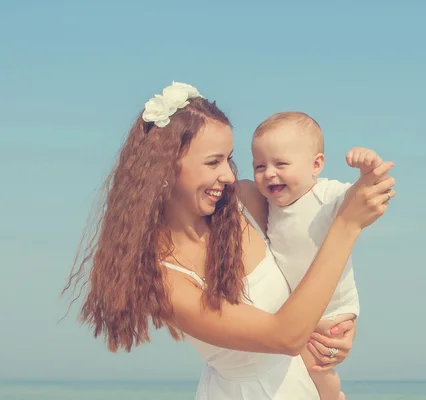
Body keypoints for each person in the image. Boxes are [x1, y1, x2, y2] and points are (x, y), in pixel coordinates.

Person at [62, 82, 395, 400]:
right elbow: (286, 336)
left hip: (308, 383)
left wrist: (339, 322)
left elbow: (309, 241)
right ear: (164, 170)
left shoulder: (247, 202)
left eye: (228, 158)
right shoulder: (164, 280)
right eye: (213, 162)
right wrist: (348, 224)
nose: (230, 175)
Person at [251, 112, 382, 400]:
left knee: (315, 363)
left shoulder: (325, 194)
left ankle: (331, 395)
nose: (269, 173)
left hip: (333, 306)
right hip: (302, 309)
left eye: (281, 164)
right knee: (300, 362)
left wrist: (368, 169)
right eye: (259, 166)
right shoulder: (270, 205)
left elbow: (362, 197)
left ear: (316, 165)